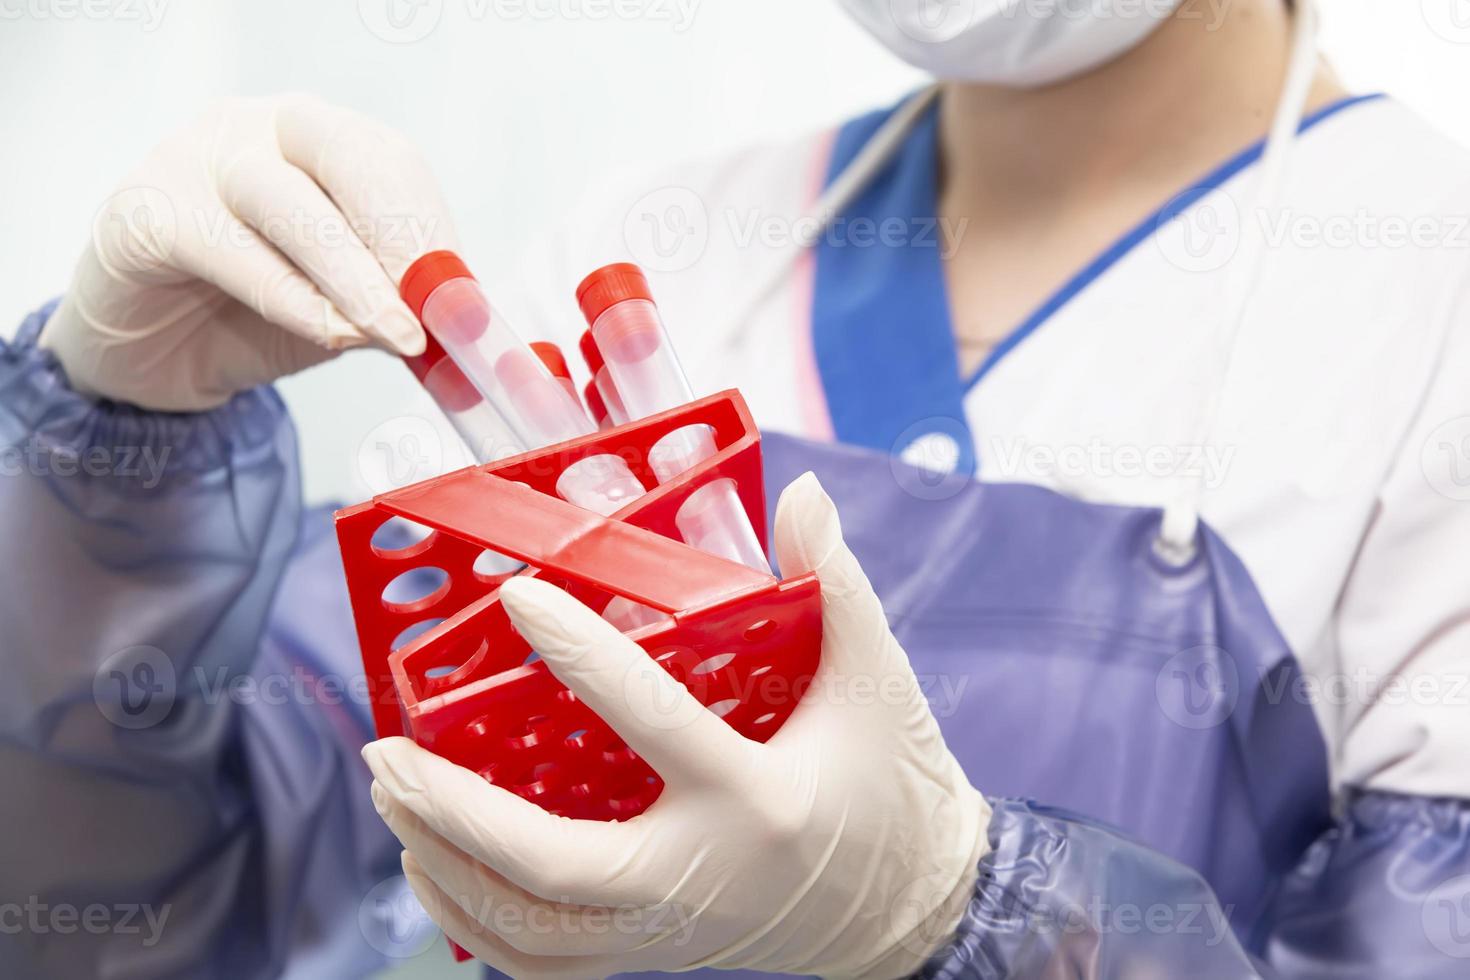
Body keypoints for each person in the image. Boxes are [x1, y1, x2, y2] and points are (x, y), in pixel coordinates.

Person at [4, 0, 1468, 976]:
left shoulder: (1423, 311)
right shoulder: (656, 252)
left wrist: (965, 916)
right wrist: (113, 453)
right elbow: (139, 911)